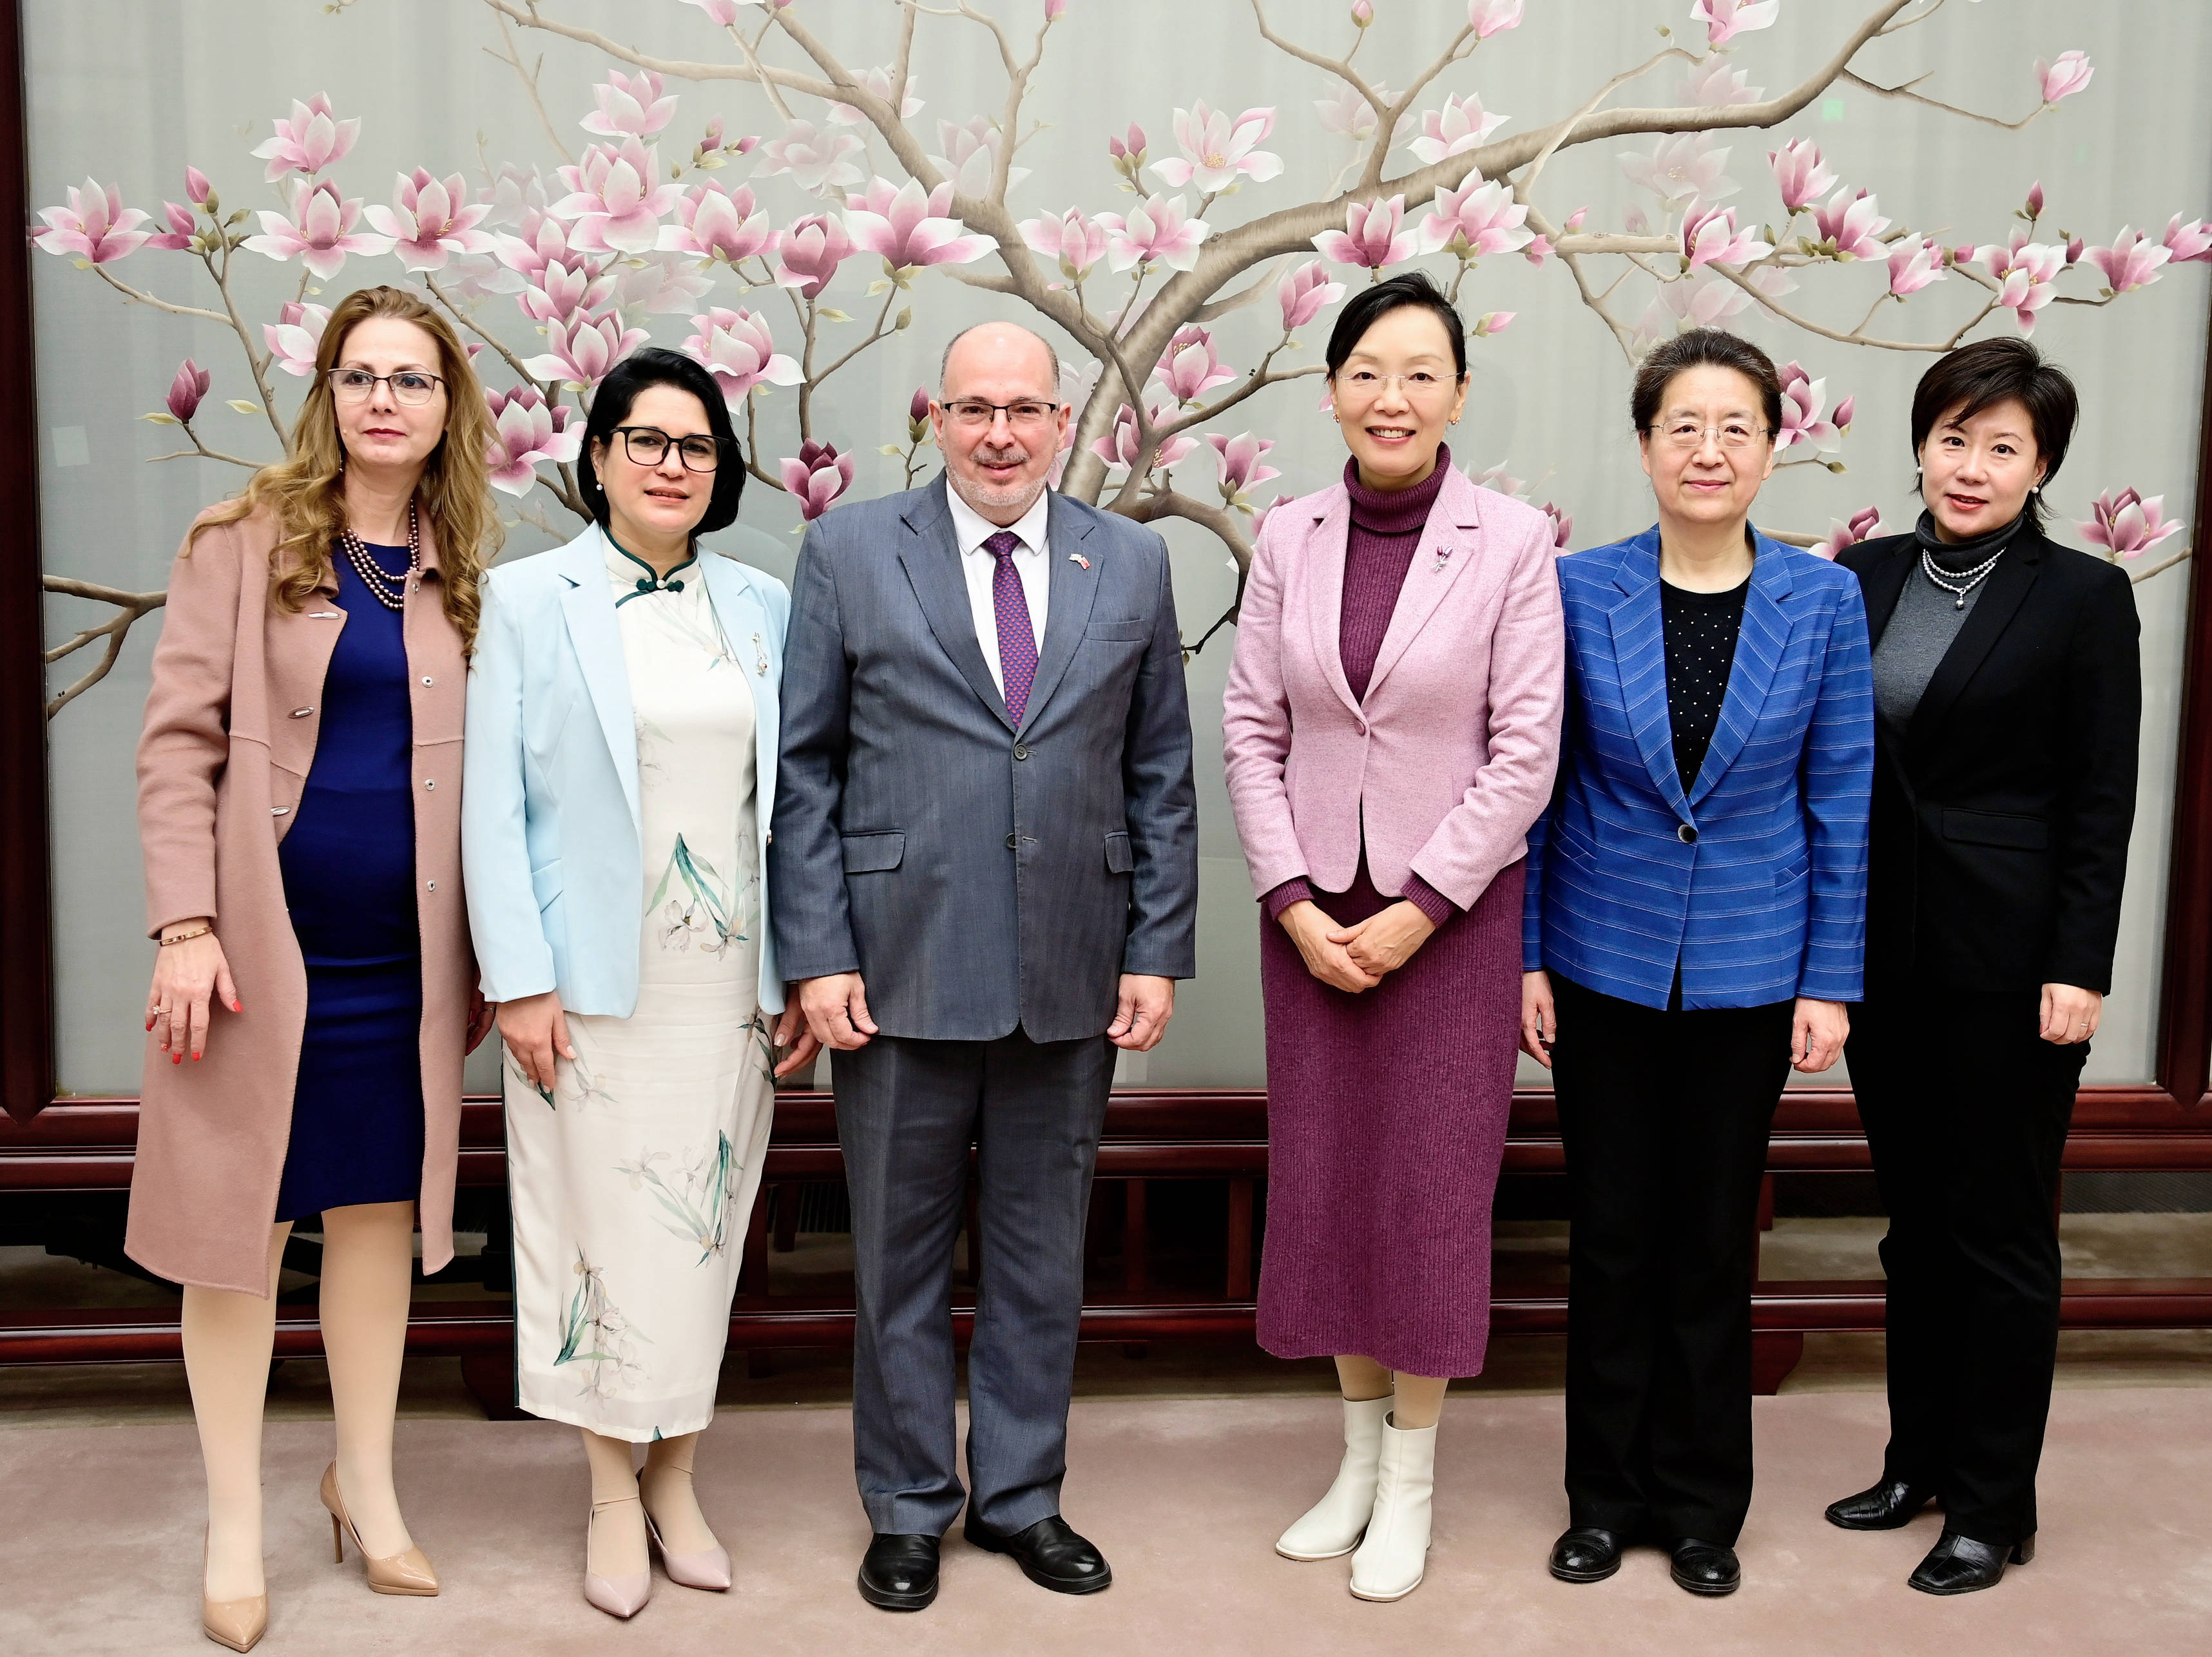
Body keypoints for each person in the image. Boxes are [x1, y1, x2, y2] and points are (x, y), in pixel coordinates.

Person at [773, 320, 1198, 1613]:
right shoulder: (849, 548)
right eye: (974, 407)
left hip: (1072, 963)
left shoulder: (1130, 558)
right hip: (894, 967)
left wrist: (1157, 946)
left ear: (1064, 422)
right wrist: (815, 951)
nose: (1000, 431)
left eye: (1025, 408)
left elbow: (1160, 768)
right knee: (895, 1260)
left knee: (1036, 1252)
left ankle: (1022, 1495)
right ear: (936, 419)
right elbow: (805, 767)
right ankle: (906, 1504)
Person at [132, 285, 501, 1651]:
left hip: (403, 968)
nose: (384, 399)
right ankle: (237, 1517)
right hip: (250, 965)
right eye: (361, 375)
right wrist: (185, 924)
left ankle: (368, 1483)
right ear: (330, 395)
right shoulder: (240, 541)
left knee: (372, 1221)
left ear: (447, 404)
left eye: (412, 378)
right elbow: (177, 744)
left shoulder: (466, 567)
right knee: (237, 1237)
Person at [1220, 271, 1564, 1602]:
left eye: (1422, 371)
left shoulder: (1513, 541)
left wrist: (1418, 906)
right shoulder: (1286, 534)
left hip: (1452, 927)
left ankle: (1413, 1480)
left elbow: (1524, 751)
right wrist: (1296, 901)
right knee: (1326, 1185)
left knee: (1423, 1196)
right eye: (1368, 369)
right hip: (1308, 922)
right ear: (1331, 389)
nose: (1393, 395)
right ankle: (1354, 1460)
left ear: (1460, 394)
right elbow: (1254, 728)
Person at [464, 347, 818, 1618]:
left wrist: (794, 969)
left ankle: (678, 1472)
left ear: (719, 472)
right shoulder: (524, 599)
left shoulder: (762, 605)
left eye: (697, 446)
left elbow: (787, 807)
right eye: (647, 439)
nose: (673, 463)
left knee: (700, 1227)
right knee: (599, 1238)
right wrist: (517, 977)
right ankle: (612, 1485)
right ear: (600, 454)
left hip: (724, 987)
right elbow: (491, 809)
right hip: (586, 983)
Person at [1522, 327, 1872, 1599]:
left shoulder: (1821, 599)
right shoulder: (1576, 590)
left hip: (1750, 969)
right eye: (1684, 424)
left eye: (1735, 426)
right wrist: (1525, 957)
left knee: (1712, 1240)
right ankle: (1601, 1496)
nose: (1708, 448)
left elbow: (1841, 792)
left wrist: (1830, 978)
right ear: (1645, 444)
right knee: (1611, 1236)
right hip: (1599, 961)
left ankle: (1701, 1502)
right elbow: (1540, 791)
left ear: (1772, 448)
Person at [1825, 337, 2138, 1595]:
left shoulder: (2078, 596)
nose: (1970, 465)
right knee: (1916, 1230)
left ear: (2042, 463)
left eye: (2001, 445)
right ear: (1919, 444)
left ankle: (1992, 1501)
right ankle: (1917, 1459)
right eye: (1952, 437)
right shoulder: (1861, 576)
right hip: (1883, 957)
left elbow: (2099, 797)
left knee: (1998, 1232)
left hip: (2014, 966)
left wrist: (2080, 960)